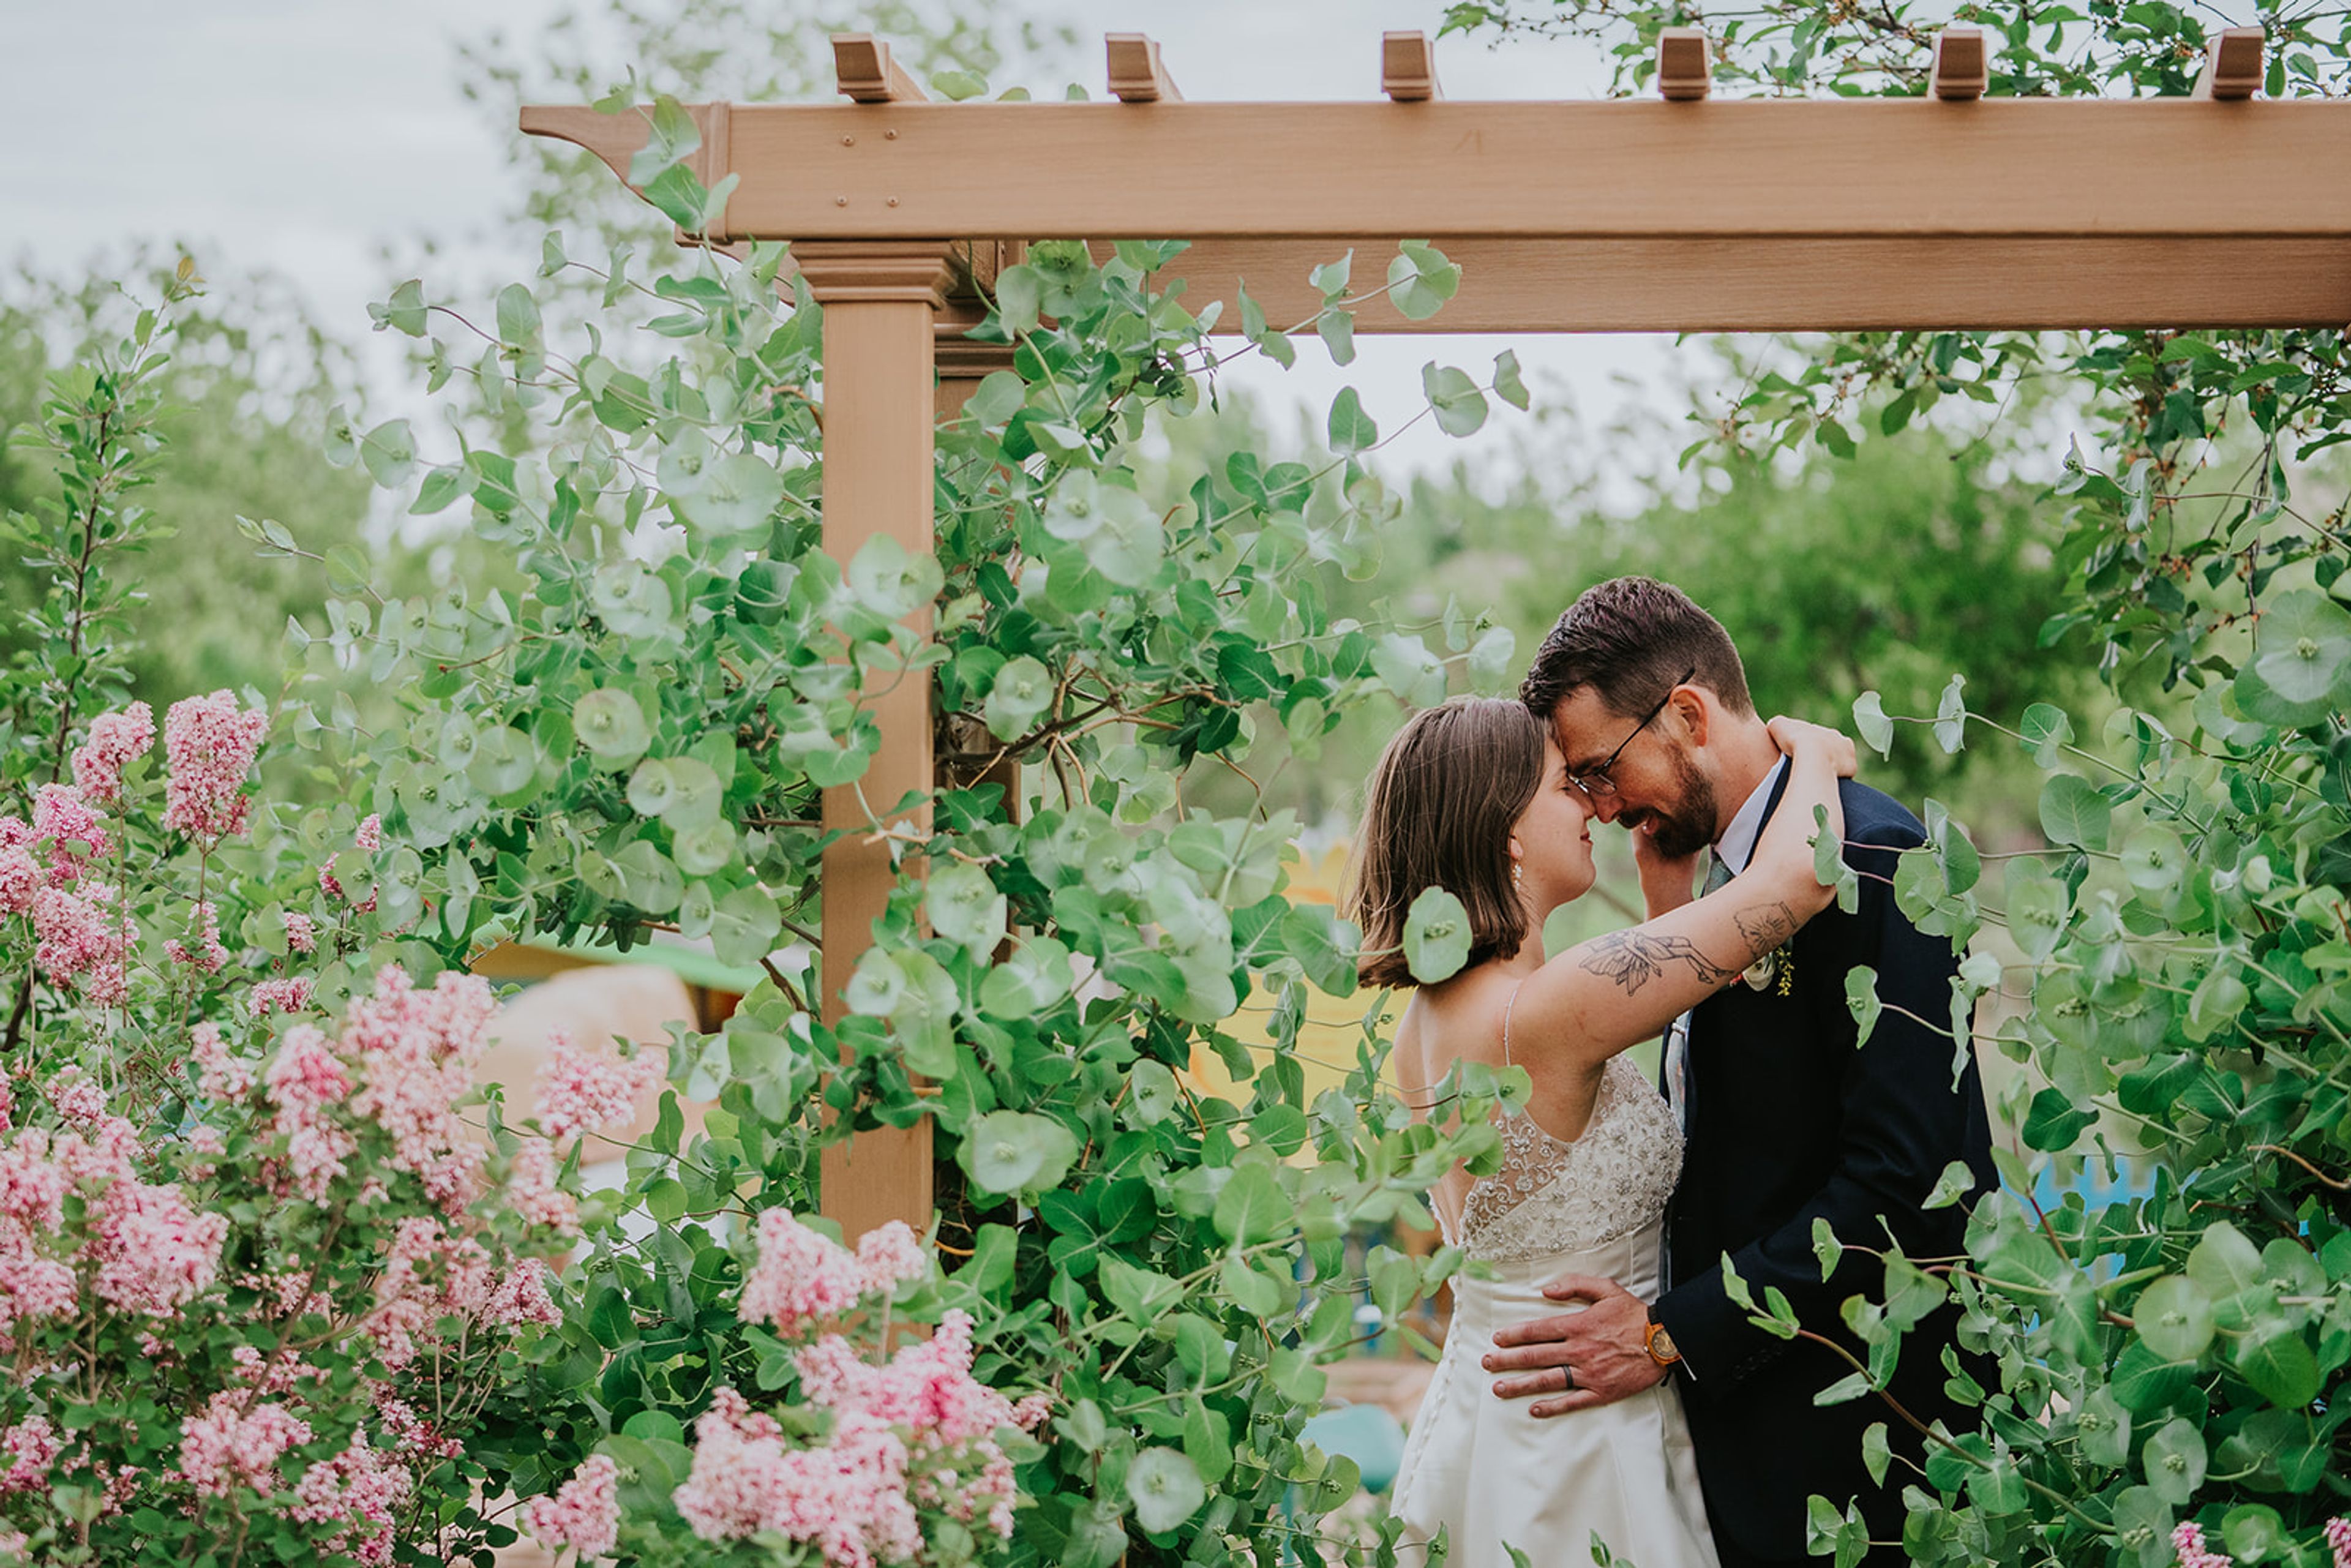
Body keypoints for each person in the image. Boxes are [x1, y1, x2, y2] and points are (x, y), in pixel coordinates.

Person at [1483, 577, 1997, 1568]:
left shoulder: (1878, 859)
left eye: (1600, 770)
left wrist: (1673, 1332)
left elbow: (1907, 1181)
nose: (1600, 807)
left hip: (1860, 1453)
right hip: (1739, 1444)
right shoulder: (1704, 889)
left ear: (1686, 714)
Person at [1348, 690, 1856, 1567]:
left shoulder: (1432, 1019)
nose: (1593, 804)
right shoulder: (1547, 1010)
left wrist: (1666, 897)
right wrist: (1812, 750)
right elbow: (1799, 882)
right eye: (1564, 786)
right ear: (1506, 830)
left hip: (1490, 1424)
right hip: (1583, 1443)